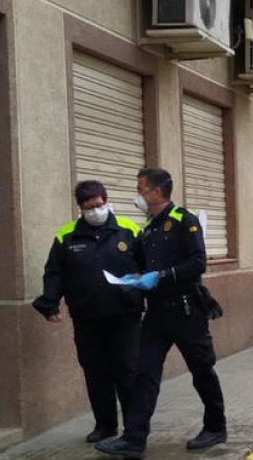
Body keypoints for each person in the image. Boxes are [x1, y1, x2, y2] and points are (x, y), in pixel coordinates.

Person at [97, 168, 227, 457]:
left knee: (201, 369)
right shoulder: (150, 227)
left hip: (186, 311)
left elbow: (198, 264)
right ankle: (134, 439)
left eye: (141, 189)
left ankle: (216, 427)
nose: (138, 195)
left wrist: (161, 276)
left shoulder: (184, 220)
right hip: (156, 314)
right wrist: (135, 278)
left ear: (156, 192)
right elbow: (142, 264)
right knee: (143, 374)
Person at [33, 180, 144, 444]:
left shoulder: (129, 230)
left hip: (125, 315)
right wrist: (50, 304)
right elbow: (55, 273)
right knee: (96, 372)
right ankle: (105, 426)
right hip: (87, 317)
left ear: (106, 201)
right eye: (90, 207)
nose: (96, 210)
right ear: (80, 208)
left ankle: (134, 428)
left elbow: (147, 264)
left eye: (100, 204)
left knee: (127, 371)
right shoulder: (66, 236)